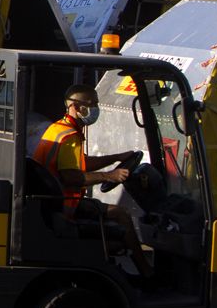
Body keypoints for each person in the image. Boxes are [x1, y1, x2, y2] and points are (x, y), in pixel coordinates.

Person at [33, 84, 152, 278]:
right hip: (64, 207)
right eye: (93, 104)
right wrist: (110, 176)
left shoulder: (59, 128)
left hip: (53, 202)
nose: (96, 108)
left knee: (116, 214)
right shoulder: (70, 136)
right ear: (78, 107)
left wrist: (116, 157)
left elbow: (81, 163)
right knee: (121, 215)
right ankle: (147, 273)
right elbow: (70, 176)